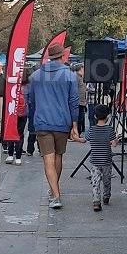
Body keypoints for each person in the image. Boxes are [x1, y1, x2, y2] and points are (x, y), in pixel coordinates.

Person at [28, 43, 80, 209]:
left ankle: (55, 194)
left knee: (47, 160)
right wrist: (75, 125)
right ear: (62, 56)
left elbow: (31, 101)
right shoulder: (70, 75)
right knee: (58, 156)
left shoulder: (35, 76)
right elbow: (74, 102)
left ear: (49, 56)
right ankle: (55, 191)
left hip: (42, 121)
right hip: (62, 122)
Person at [84, 104, 117, 211]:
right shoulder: (110, 130)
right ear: (107, 117)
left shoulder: (91, 130)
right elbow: (113, 144)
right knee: (107, 180)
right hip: (107, 160)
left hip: (95, 161)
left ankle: (96, 202)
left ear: (94, 116)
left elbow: (86, 139)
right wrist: (117, 140)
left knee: (95, 181)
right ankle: (106, 196)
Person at [6, 68, 31, 165]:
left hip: (23, 113)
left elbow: (30, 99)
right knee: (11, 132)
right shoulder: (12, 85)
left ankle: (18, 155)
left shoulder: (28, 87)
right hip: (12, 112)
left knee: (19, 133)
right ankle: (11, 153)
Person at [75, 64, 87, 135]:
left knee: (80, 118)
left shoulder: (80, 77)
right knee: (78, 118)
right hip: (78, 101)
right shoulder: (76, 77)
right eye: (83, 69)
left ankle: (78, 133)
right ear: (80, 69)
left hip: (81, 101)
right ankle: (76, 134)